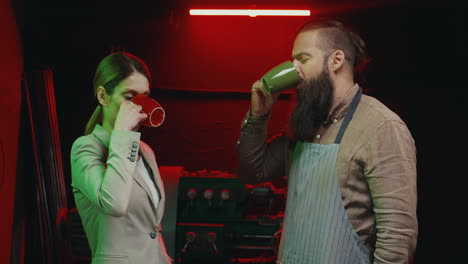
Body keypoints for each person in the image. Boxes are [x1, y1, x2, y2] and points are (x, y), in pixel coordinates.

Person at [237, 20, 418, 264]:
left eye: (303, 58)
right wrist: (258, 117)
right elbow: (253, 172)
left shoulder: (381, 126)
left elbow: (397, 235)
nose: (294, 69)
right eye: (293, 60)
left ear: (336, 60)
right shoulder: (304, 125)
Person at [70, 52, 172, 264]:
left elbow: (151, 229)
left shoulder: (145, 150)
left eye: (145, 95)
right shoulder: (85, 149)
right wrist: (123, 133)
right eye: (129, 96)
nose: (140, 105)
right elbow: (114, 204)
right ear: (103, 96)